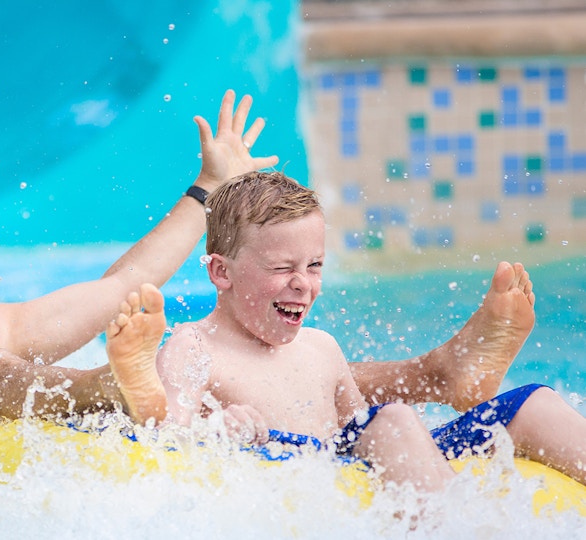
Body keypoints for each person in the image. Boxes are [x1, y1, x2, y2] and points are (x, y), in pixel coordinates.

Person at [0, 0, 533, 428]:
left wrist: (208, 189)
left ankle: (436, 376)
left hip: (56, 399)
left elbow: (123, 289)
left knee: (201, 363)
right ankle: (124, 388)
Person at [125, 171, 586, 489]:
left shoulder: (321, 347)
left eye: (315, 265)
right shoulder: (192, 349)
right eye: (282, 267)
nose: (303, 283)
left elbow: (355, 430)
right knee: (395, 417)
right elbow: (164, 447)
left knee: (534, 404)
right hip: (286, 463)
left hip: (344, 467)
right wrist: (217, 433)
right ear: (222, 273)